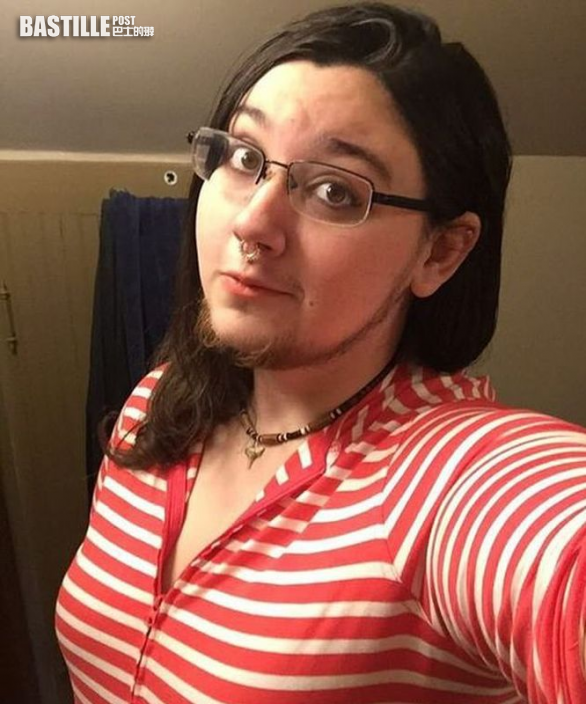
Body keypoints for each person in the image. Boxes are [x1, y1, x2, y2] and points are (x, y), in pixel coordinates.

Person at [56, 3, 586, 703]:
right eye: (244, 158)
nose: (253, 222)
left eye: (335, 191)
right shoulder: (157, 401)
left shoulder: (443, 483)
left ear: (440, 252)